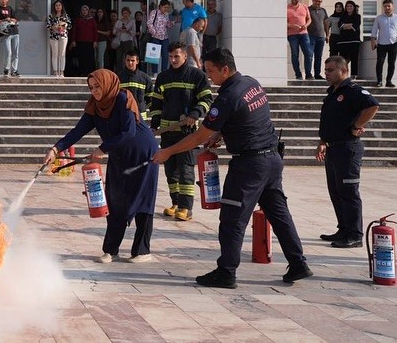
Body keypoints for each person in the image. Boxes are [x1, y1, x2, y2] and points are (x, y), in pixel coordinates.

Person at [152, 48, 313, 288]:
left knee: (232, 220)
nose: (208, 77)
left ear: (225, 69)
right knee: (279, 215)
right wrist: (221, 133)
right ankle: (298, 262)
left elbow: (198, 137)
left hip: (249, 166)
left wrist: (168, 151)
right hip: (271, 160)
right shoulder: (251, 84)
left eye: (211, 72)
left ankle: (226, 271)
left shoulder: (228, 97)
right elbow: (246, 119)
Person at [43, 69, 159, 263]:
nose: (95, 91)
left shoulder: (123, 98)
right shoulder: (94, 107)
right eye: (91, 87)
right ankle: (110, 250)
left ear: (107, 83)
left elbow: (129, 132)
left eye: (97, 86)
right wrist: (55, 149)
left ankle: (142, 251)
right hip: (118, 154)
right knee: (114, 200)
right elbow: (77, 131)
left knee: (142, 200)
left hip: (143, 152)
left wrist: (102, 148)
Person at [316, 56, 380, 248]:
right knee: (336, 191)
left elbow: (372, 105)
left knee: (349, 192)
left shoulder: (353, 91)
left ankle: (354, 234)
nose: (326, 74)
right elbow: (328, 121)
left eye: (330, 70)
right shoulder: (332, 93)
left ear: (343, 71)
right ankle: (343, 229)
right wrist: (322, 142)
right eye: (325, 70)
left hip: (347, 148)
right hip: (333, 148)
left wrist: (356, 126)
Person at [148, 41, 213, 221]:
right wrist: (155, 123)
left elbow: (207, 99)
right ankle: (175, 203)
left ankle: (186, 207)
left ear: (185, 56)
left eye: (177, 56)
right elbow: (157, 103)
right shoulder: (163, 77)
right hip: (168, 132)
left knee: (186, 169)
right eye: (170, 57)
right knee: (171, 170)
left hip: (187, 131)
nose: (173, 60)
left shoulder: (197, 75)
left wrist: (195, 113)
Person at [117, 50, 152, 119]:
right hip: (124, 115)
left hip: (140, 116)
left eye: (132, 60)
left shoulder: (145, 78)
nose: (130, 63)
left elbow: (150, 99)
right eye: (128, 60)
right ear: (125, 61)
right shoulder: (118, 78)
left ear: (137, 61)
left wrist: (154, 115)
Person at [287, 0, 313, 80]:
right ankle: (298, 74)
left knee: (308, 53)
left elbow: (309, 19)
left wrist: (305, 25)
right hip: (292, 34)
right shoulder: (287, 8)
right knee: (295, 54)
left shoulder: (304, 7)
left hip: (304, 34)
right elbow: (283, 23)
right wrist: (292, 26)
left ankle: (308, 74)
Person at [371, 0, 397, 87]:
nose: (387, 8)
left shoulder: (396, 17)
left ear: (392, 6)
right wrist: (373, 39)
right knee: (380, 62)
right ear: (383, 7)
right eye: (385, 6)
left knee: (392, 63)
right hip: (381, 43)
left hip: (394, 43)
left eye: (389, 6)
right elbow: (374, 29)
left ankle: (389, 81)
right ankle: (379, 81)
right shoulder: (379, 18)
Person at [0, 0, 20, 77]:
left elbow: (16, 20)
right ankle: (6, 69)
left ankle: (14, 70)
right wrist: (4, 20)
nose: (3, 1)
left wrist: (11, 19)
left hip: (15, 32)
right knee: (8, 52)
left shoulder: (10, 8)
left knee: (16, 53)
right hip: (5, 33)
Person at [147, 0, 175, 74]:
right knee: (154, 56)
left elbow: (167, 24)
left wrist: (172, 23)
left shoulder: (166, 15)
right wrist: (154, 32)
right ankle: (154, 73)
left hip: (164, 37)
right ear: (160, 6)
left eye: (167, 7)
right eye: (165, 7)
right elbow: (149, 23)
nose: (166, 9)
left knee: (165, 56)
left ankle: (164, 72)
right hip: (155, 37)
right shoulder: (154, 12)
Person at [45, 0, 71, 77]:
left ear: (62, 6)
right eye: (56, 5)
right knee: (55, 54)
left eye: (59, 5)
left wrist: (64, 25)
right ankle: (55, 71)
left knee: (62, 54)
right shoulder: (51, 16)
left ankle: (62, 71)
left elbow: (70, 25)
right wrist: (54, 27)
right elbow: (47, 26)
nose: (58, 7)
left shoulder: (65, 15)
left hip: (63, 36)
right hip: (53, 37)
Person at [337, 0, 362, 78]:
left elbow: (355, 26)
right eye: (347, 6)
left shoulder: (357, 16)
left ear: (354, 7)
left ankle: (354, 75)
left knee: (354, 58)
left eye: (351, 6)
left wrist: (345, 25)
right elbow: (340, 26)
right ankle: (343, 74)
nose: (349, 8)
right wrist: (348, 25)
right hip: (343, 41)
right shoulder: (342, 16)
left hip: (354, 41)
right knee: (343, 60)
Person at [70, 5, 97, 76]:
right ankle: (82, 72)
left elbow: (95, 31)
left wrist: (95, 41)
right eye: (83, 10)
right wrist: (73, 40)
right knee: (81, 57)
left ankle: (90, 72)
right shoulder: (78, 20)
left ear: (88, 11)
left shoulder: (92, 20)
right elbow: (74, 31)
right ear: (81, 11)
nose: (84, 12)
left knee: (90, 57)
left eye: (86, 10)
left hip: (90, 42)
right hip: (80, 41)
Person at [308, 0, 329, 80]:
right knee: (309, 56)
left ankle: (317, 74)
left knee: (318, 56)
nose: (317, 3)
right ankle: (308, 74)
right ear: (312, 0)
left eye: (319, 1)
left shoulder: (323, 10)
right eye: (316, 1)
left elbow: (326, 23)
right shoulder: (308, 10)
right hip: (310, 36)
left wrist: (327, 35)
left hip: (321, 37)